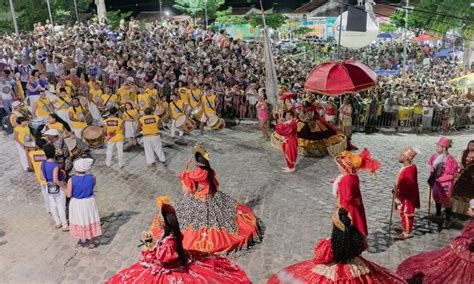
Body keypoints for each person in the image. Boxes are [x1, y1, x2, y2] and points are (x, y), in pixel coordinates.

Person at [107, 196, 251, 283]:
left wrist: (148, 251)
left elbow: (162, 261)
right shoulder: (172, 236)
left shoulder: (168, 242)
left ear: (164, 223)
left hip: (169, 269)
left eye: (160, 219)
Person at [150, 144, 260, 254]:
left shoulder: (199, 173)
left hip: (201, 196)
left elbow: (184, 176)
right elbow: (214, 183)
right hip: (212, 194)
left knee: (191, 219)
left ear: (198, 162)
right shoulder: (209, 171)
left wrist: (186, 165)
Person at [268, 208, 406, 284]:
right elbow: (363, 247)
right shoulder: (356, 237)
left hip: (333, 270)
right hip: (356, 266)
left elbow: (320, 258)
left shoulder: (329, 243)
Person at [396, 199, 474, 283]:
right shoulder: (471, 223)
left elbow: (468, 240)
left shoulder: (472, 227)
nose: (468, 209)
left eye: (470, 208)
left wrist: (458, 243)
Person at [333, 149, 381, 237]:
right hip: (355, 207)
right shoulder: (353, 177)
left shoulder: (345, 180)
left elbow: (347, 197)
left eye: (340, 165)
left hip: (347, 208)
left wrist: (339, 188)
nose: (338, 167)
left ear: (344, 167)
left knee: (348, 228)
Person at [66, 158, 102, 248]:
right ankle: (92, 241)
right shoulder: (92, 178)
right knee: (90, 219)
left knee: (80, 219)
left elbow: (68, 195)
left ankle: (82, 238)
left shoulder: (71, 180)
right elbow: (92, 187)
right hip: (89, 202)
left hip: (77, 203)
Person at [428, 136, 459, 228]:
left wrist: (440, 179)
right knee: (436, 197)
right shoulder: (434, 156)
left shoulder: (450, 160)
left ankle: (448, 219)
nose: (436, 148)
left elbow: (452, 174)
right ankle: (438, 214)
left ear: (444, 148)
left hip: (445, 184)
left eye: (438, 146)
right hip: (436, 183)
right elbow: (431, 164)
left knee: (446, 201)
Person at [40, 144, 68, 231]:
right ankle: (64, 225)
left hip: (48, 186)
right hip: (58, 187)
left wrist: (49, 180)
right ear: (54, 153)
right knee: (61, 206)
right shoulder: (55, 165)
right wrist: (64, 187)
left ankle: (57, 222)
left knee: (53, 205)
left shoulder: (43, 164)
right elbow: (56, 180)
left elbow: (42, 177)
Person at [394, 147, 420, 240]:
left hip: (407, 197)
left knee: (407, 214)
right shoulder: (406, 168)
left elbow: (406, 185)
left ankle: (407, 232)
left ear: (407, 158)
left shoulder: (409, 170)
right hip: (402, 195)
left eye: (402, 155)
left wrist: (399, 197)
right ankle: (404, 228)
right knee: (402, 213)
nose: (399, 156)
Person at [451, 140, 474, 215]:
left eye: (473, 146)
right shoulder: (464, 153)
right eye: (470, 145)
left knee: (469, 194)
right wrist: (460, 168)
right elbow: (458, 161)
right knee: (457, 192)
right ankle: (456, 210)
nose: (471, 147)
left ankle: (467, 212)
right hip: (462, 175)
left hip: (471, 177)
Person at [28, 138, 49, 213]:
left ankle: (48, 208)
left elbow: (30, 167)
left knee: (45, 193)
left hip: (40, 177)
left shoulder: (31, 154)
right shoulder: (47, 153)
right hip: (49, 176)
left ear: (36, 145)